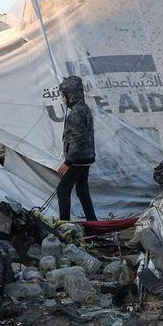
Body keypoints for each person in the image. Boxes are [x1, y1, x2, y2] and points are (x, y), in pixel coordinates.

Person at [56, 74, 96, 221]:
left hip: (77, 159)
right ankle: (93, 221)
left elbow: (78, 139)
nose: (62, 98)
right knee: (82, 190)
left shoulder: (76, 113)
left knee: (62, 190)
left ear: (70, 94)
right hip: (86, 158)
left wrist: (68, 161)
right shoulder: (84, 108)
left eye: (63, 95)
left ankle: (64, 223)